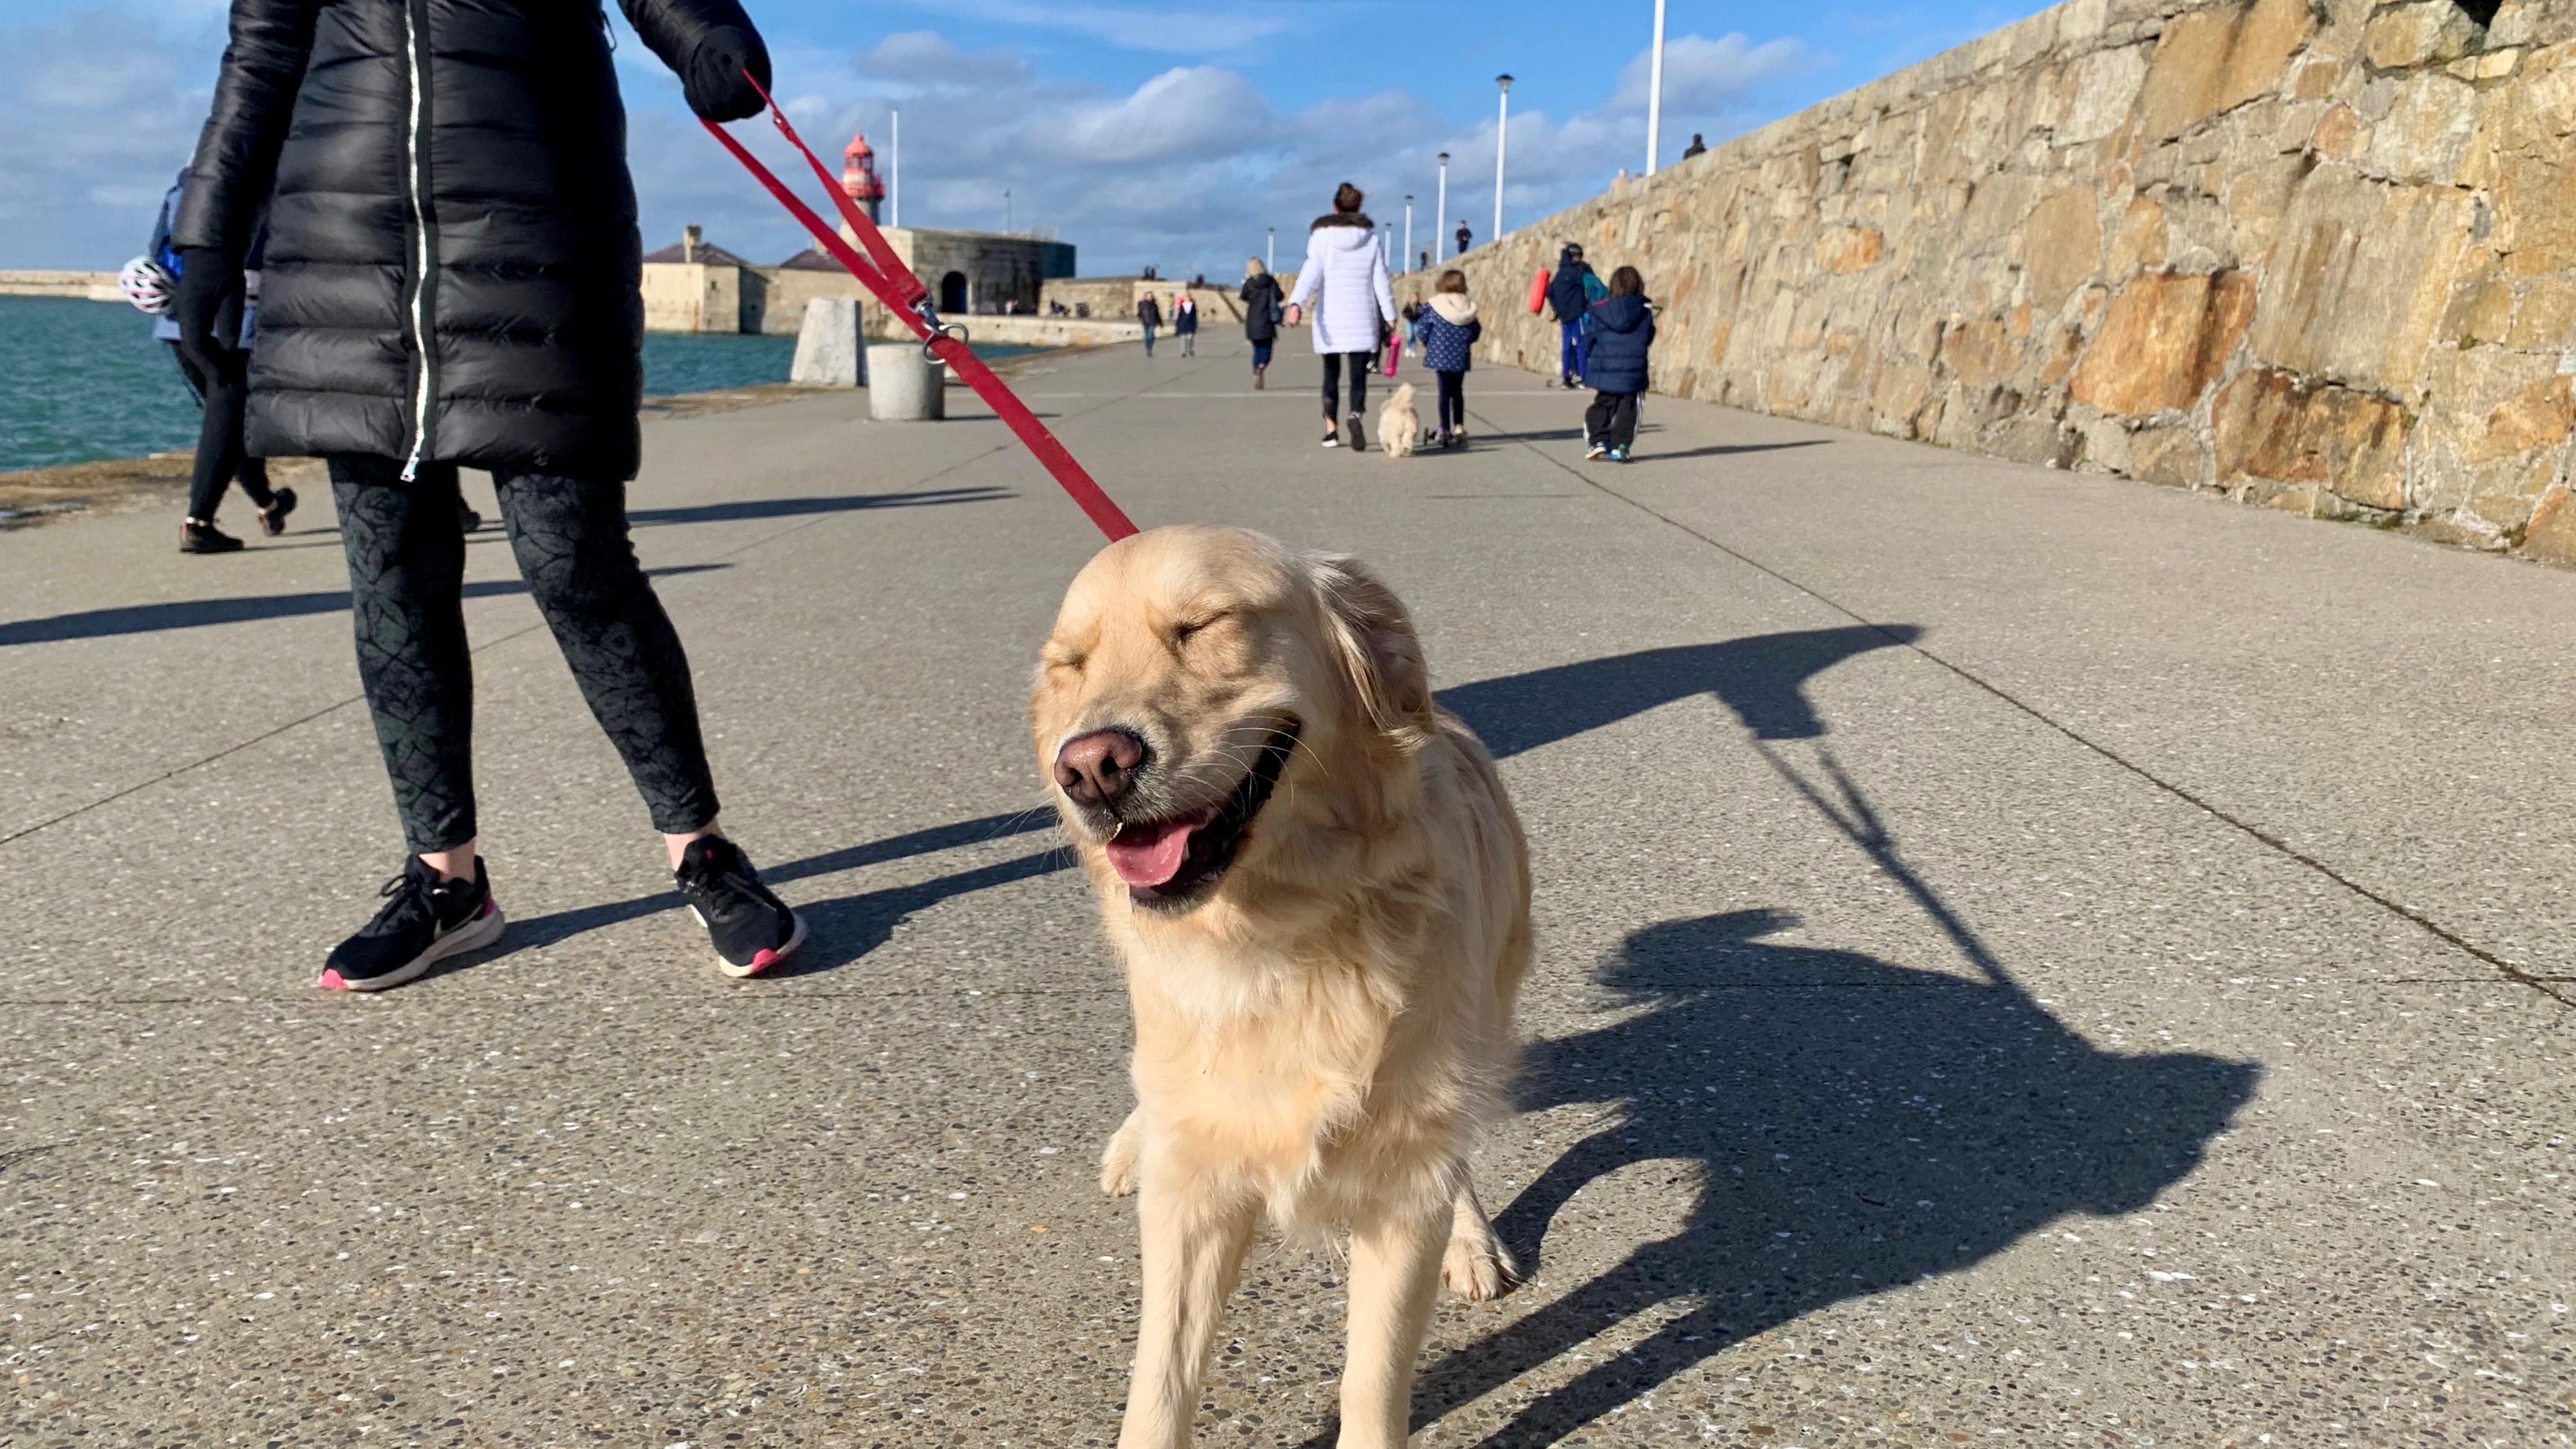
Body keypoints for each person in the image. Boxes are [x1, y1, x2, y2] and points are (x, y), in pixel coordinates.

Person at [171, 0, 806, 988]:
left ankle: (704, 850)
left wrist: (707, 37)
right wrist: (207, 233)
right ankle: (446, 883)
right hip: (347, 235)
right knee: (392, 573)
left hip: (536, 225)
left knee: (576, 566)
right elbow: (261, 56)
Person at [134, 171, 292, 553]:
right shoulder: (265, 184)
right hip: (236, 318)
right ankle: (199, 523)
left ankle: (268, 505)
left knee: (226, 421)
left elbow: (158, 248)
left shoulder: (182, 187)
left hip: (179, 323)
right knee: (226, 419)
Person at [1283, 181, 1395, 450]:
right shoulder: (1371, 240)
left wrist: (1296, 302)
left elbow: (1311, 273)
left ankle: (1331, 431)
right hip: (1361, 317)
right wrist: (1390, 316)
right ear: (1358, 209)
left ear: (1335, 207)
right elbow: (1381, 281)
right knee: (1358, 376)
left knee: (1330, 374)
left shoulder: (1321, 238)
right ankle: (1355, 414)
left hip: (1331, 318)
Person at [1582, 266, 1655, 463]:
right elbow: (1648, 337)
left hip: (1605, 370)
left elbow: (1589, 339)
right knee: (1628, 407)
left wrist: (1593, 357)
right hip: (1633, 372)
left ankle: (1597, 440)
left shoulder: (1599, 310)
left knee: (1604, 404)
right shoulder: (1644, 312)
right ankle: (1621, 445)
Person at [1418, 269, 1482, 450]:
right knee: (1457, 391)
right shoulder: (1468, 307)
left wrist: (1427, 341)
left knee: (1444, 393)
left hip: (1441, 355)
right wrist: (1465, 341)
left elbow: (1423, 329)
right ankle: (1459, 427)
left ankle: (1444, 428)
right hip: (1460, 356)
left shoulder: (1436, 305)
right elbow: (1476, 331)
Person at [1546, 242, 1600, 388]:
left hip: (1564, 316)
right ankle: (1583, 376)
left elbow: (1549, 291)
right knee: (1582, 344)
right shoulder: (1581, 271)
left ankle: (1567, 377)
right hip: (1578, 314)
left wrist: (1557, 309)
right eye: (1576, 256)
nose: (1578, 259)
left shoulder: (1560, 273)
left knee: (1567, 346)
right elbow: (1593, 284)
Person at [1239, 257, 1282, 390]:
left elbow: (1243, 296)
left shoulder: (1250, 283)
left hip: (1253, 321)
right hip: (1267, 320)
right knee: (1267, 350)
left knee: (1257, 349)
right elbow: (1280, 296)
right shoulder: (1270, 281)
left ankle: (1257, 370)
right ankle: (1262, 366)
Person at [1137, 291, 1163, 356]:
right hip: (1145, 322)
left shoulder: (1154, 305)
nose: (1150, 297)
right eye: (1148, 296)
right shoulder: (1142, 304)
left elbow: (1157, 314)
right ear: (1146, 297)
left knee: (1150, 336)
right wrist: (1139, 318)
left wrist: (1161, 323)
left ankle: (1150, 348)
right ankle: (1149, 349)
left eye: (1151, 296)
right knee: (1147, 337)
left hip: (1153, 322)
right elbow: (1140, 312)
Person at [1173, 292, 1199, 357]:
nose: (1187, 298)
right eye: (1185, 296)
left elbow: (1195, 316)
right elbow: (1178, 316)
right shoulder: (1181, 305)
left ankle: (1191, 349)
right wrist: (1177, 325)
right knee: (1183, 338)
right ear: (1184, 298)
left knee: (1190, 338)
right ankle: (1183, 352)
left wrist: (1195, 324)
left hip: (1190, 323)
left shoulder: (1193, 305)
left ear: (1190, 297)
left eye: (1188, 296)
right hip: (1182, 323)